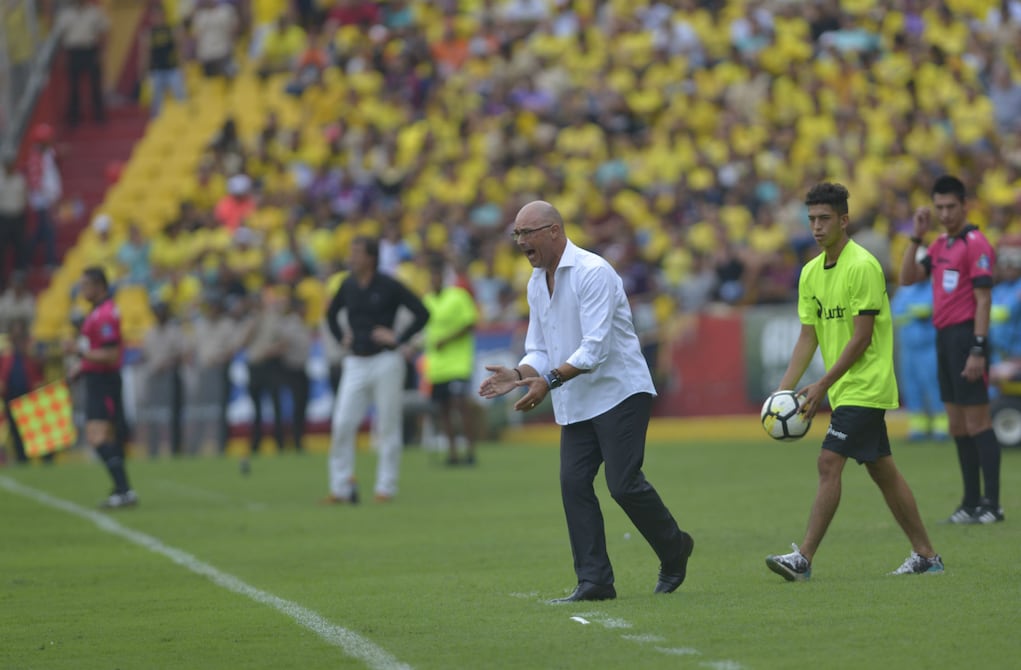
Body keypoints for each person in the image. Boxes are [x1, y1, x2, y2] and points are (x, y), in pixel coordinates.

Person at [478, 201, 694, 602]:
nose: (521, 241)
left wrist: (547, 380)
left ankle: (674, 547)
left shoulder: (593, 273)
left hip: (619, 391)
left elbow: (595, 349)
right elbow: (539, 348)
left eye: (528, 233)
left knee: (623, 484)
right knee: (573, 483)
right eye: (517, 235)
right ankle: (595, 581)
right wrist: (521, 375)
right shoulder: (535, 282)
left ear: (555, 231)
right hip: (576, 398)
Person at [765, 183, 942, 581]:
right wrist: (782, 391)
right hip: (845, 387)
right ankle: (927, 556)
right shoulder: (810, 272)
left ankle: (803, 559)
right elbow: (808, 336)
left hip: (867, 384)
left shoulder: (863, 266)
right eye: (811, 219)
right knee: (883, 471)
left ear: (844, 220)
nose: (816, 226)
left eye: (824, 218)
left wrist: (822, 384)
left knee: (829, 461)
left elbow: (862, 337)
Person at [899, 175, 1003, 524]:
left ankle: (992, 503)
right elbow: (907, 277)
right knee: (957, 424)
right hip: (943, 337)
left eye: (950, 207)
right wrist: (916, 236)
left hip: (966, 337)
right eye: (939, 207)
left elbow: (983, 298)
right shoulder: (940, 244)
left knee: (978, 421)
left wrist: (978, 348)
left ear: (964, 205)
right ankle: (970, 501)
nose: (944, 213)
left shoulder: (976, 244)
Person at [323, 236, 429, 503]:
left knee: (388, 426)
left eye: (356, 252)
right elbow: (330, 314)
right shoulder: (347, 285)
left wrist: (399, 337)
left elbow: (422, 312)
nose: (351, 257)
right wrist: (341, 337)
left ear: (371, 257)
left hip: (386, 360)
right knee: (342, 424)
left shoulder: (389, 285)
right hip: (356, 360)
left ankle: (386, 488)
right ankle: (341, 487)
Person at [66, 267, 137, 508]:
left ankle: (124, 489)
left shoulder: (105, 314)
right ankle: (123, 490)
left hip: (104, 381)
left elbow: (111, 354)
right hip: (97, 379)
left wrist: (79, 353)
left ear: (99, 286)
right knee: (107, 437)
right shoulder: (97, 312)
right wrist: (80, 367)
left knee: (98, 437)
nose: (82, 290)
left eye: (86, 285)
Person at [422, 253, 479, 465]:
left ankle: (471, 451)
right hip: (437, 366)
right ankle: (453, 453)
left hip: (458, 364)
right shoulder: (426, 301)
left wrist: (447, 339)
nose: (433, 280)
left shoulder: (458, 296)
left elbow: (470, 323)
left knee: (461, 407)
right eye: (431, 277)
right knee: (444, 411)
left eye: (437, 276)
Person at [889, 278, 948, 440]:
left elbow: (943, 309)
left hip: (929, 346)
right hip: (909, 347)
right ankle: (918, 426)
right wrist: (916, 313)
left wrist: (927, 311)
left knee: (934, 383)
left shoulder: (936, 287)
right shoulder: (905, 289)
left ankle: (941, 424)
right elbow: (895, 312)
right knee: (911, 386)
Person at [54, 0, 110, 126]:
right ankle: (74, 118)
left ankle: (99, 116)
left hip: (90, 50)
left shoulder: (95, 12)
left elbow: (104, 31)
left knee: (95, 85)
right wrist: (63, 56)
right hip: (73, 52)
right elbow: (61, 37)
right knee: (74, 87)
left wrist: (101, 52)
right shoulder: (66, 14)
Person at [0, 320, 45, 464]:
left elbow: (40, 366)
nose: (16, 338)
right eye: (15, 334)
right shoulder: (6, 354)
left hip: (29, 393)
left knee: (34, 428)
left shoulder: (31, 351)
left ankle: (46, 458)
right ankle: (22, 459)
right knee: (15, 429)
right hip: (10, 394)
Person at [139, 2, 187, 117]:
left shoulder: (172, 30)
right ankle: (156, 125)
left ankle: (183, 119)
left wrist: (182, 69)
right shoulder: (148, 34)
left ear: (164, 15)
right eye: (154, 15)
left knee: (181, 97)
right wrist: (143, 71)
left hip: (172, 69)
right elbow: (145, 54)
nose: (157, 18)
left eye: (159, 15)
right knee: (156, 102)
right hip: (156, 71)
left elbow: (179, 50)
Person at [0, 154, 28, 289]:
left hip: (17, 217)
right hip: (3, 217)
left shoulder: (19, 179)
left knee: (20, 248)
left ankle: (19, 279)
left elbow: (24, 197)